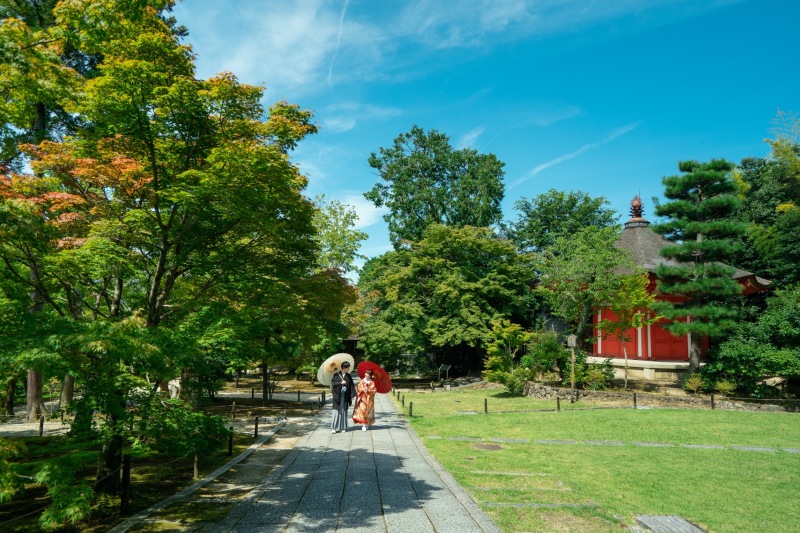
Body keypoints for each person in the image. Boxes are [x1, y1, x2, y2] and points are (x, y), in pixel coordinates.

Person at [330, 361, 356, 433]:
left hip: (345, 396)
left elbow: (352, 386)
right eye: (347, 367)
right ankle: (334, 428)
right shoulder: (336, 375)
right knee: (336, 411)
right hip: (337, 396)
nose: (348, 369)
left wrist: (352, 395)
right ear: (344, 368)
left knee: (343, 411)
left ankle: (343, 427)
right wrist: (340, 383)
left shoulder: (348, 376)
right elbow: (333, 383)